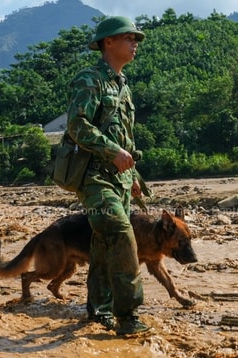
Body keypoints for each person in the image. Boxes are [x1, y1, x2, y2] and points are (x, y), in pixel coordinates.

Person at [66, 16, 150, 335]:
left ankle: (98, 309)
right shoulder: (90, 79)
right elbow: (77, 125)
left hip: (120, 179)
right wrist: (110, 151)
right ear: (108, 43)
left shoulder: (123, 85)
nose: (135, 43)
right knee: (120, 233)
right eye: (128, 37)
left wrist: (134, 177)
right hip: (94, 178)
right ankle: (127, 317)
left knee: (103, 242)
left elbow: (125, 140)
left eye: (135, 38)